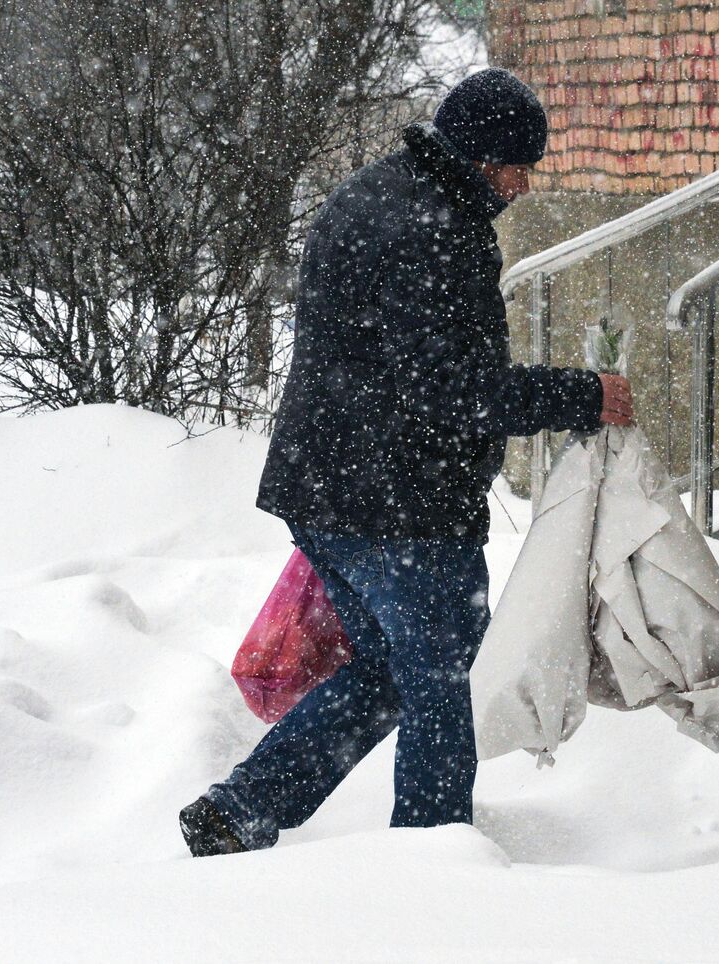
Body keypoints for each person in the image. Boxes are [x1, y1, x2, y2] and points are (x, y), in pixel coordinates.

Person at [179, 68, 634, 856]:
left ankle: (242, 808)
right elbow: (450, 392)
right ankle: (432, 861)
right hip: (401, 503)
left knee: (391, 671)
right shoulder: (440, 231)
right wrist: (582, 396)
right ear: (482, 156)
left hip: (326, 483)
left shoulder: (373, 192)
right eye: (519, 167)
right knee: (441, 686)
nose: (525, 185)